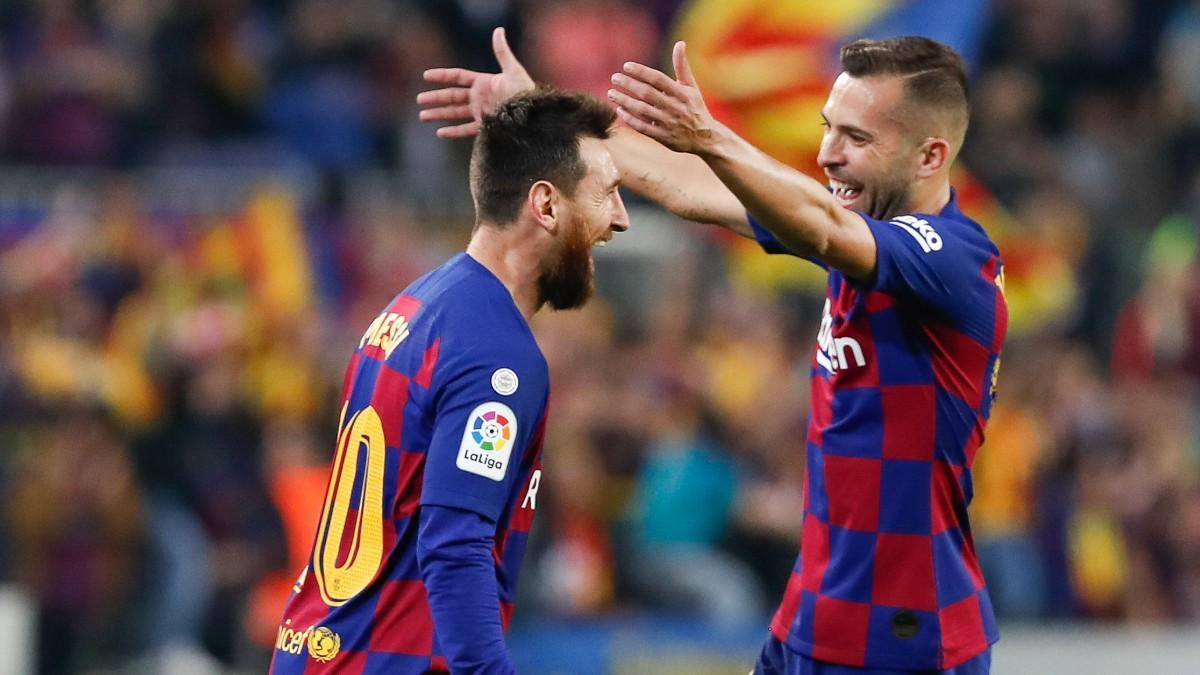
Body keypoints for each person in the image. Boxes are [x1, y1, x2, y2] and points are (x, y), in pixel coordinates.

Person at [420, 28, 1006, 675]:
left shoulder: (957, 263)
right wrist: (545, 121)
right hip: (812, 618)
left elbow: (822, 222)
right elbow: (686, 186)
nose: (827, 154)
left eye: (856, 139)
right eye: (828, 127)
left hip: (906, 637)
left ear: (930, 157)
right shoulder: (860, 231)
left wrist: (712, 134)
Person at [270, 87, 629, 674]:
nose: (619, 217)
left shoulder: (414, 308)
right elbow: (455, 545)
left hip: (322, 651)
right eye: (606, 193)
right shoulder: (498, 357)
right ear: (546, 204)